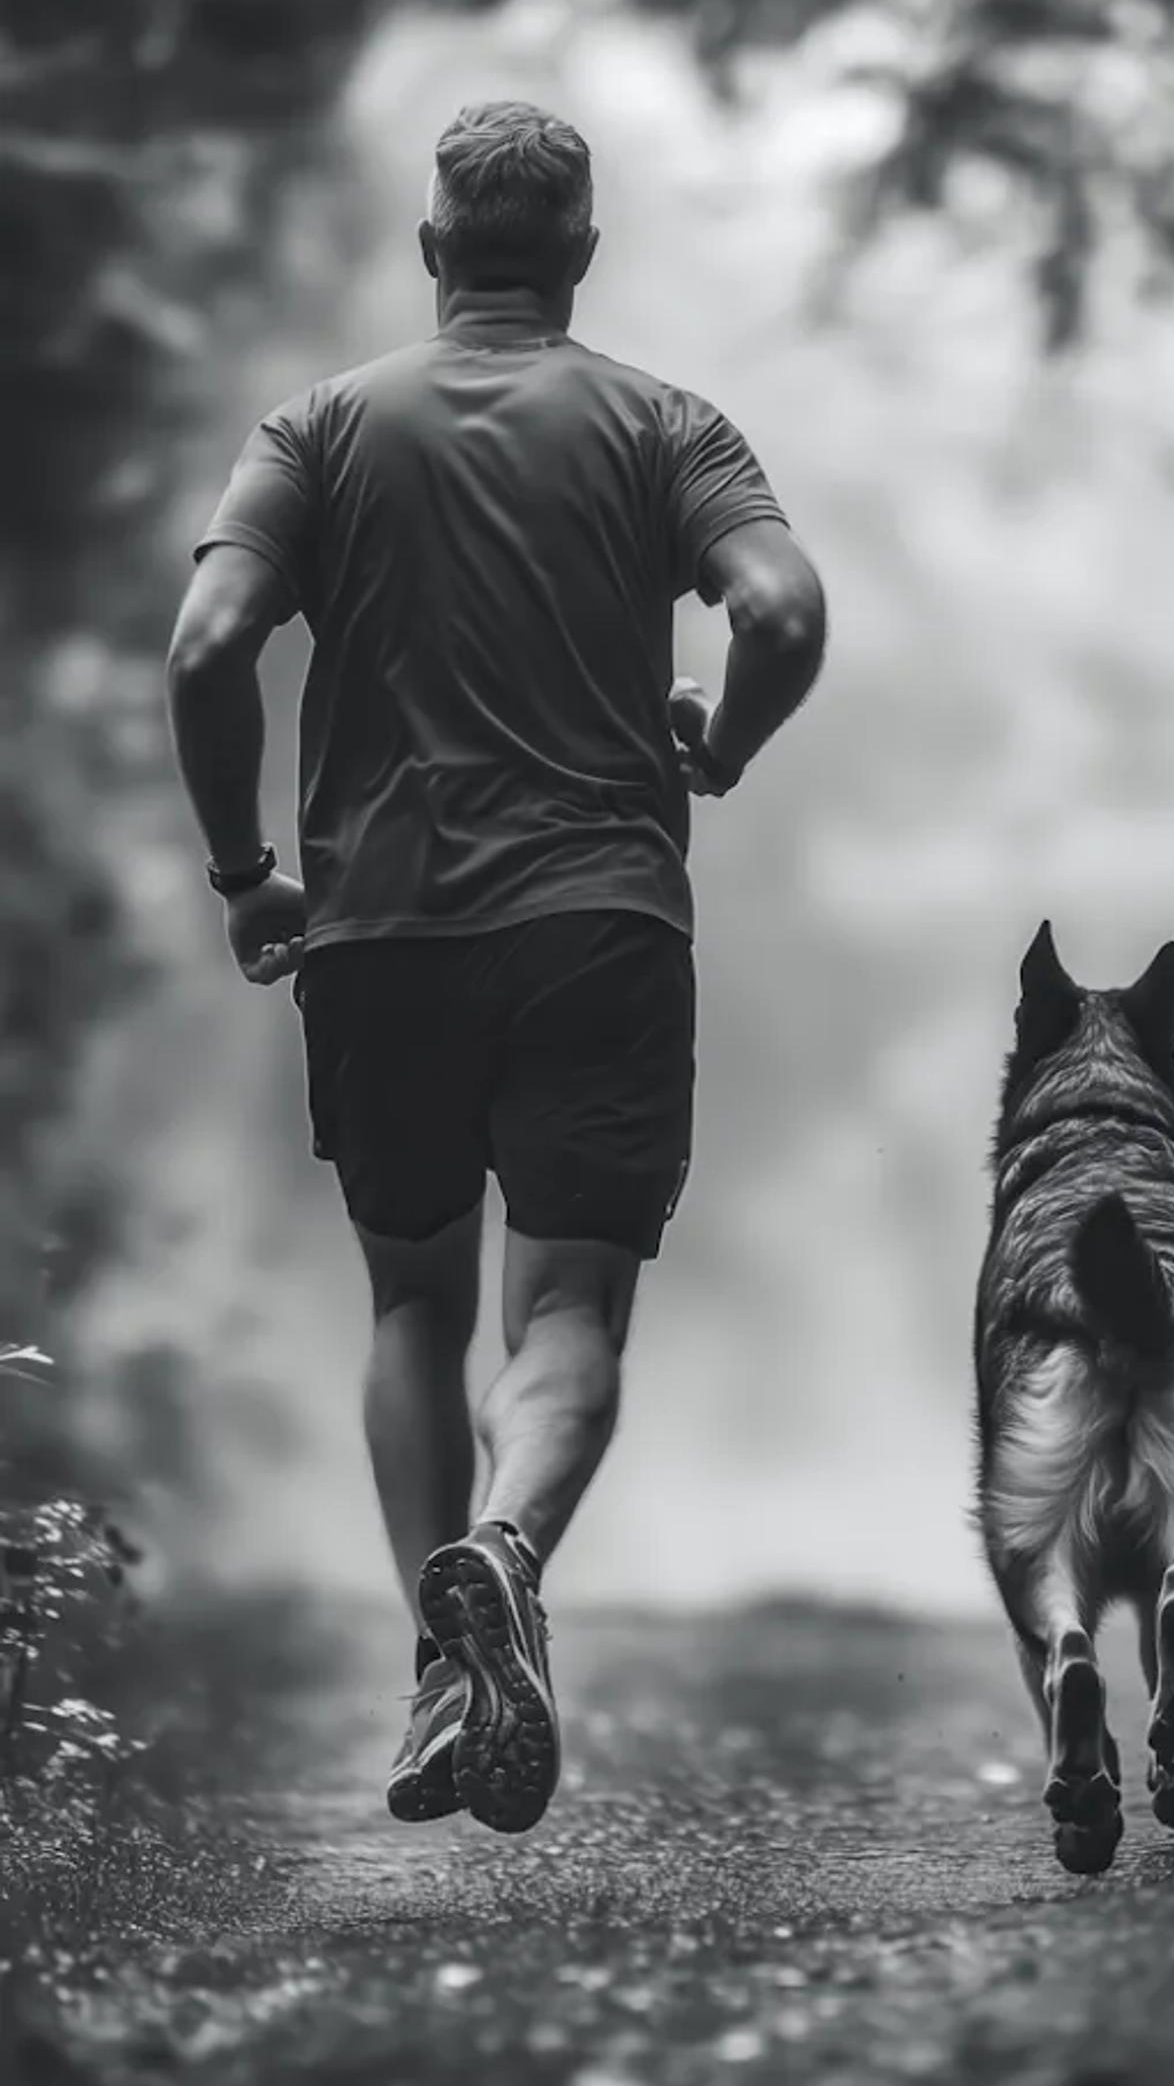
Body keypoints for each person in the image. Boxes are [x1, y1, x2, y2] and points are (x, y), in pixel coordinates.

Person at [166, 100, 826, 1835]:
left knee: (410, 1302)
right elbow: (780, 612)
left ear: (436, 250)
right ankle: (511, 1553)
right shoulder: (666, 427)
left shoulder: (315, 430)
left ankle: (442, 1667)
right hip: (602, 916)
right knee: (572, 1312)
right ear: (583, 254)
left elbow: (210, 642)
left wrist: (247, 875)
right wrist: (726, 746)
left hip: (376, 928)